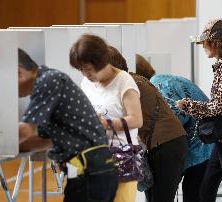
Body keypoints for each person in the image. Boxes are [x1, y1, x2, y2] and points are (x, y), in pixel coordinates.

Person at [18, 48, 118, 202]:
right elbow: (45, 140)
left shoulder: (48, 81)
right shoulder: (49, 81)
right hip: (92, 170)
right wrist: (7, 148)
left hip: (89, 171)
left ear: (18, 73)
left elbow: (25, 131)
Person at [176, 19, 222, 202]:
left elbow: (218, 107)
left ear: (217, 43)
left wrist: (188, 105)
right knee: (207, 185)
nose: (203, 46)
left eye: (206, 42)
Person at [108, 46, 188, 202]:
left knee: (160, 198)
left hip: (167, 144)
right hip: (165, 143)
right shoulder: (133, 80)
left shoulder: (128, 84)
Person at [69, 34, 143, 202]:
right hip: (95, 155)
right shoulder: (86, 82)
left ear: (101, 61)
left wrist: (106, 124)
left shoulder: (124, 81)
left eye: (88, 69)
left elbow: (137, 119)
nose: (85, 74)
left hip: (122, 155)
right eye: (81, 69)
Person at [135, 54, 213, 202]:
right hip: (203, 143)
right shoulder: (161, 80)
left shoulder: (156, 85)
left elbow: (175, 119)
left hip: (201, 147)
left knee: (192, 195)